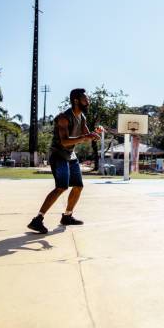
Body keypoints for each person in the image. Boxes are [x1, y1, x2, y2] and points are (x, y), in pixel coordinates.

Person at [27, 88, 100, 234]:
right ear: (76, 101)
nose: (88, 102)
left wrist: (94, 134)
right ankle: (37, 220)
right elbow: (65, 141)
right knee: (61, 187)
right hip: (59, 155)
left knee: (78, 186)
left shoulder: (82, 118)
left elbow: (86, 135)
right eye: (85, 99)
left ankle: (67, 216)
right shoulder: (63, 117)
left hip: (70, 155)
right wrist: (85, 137)